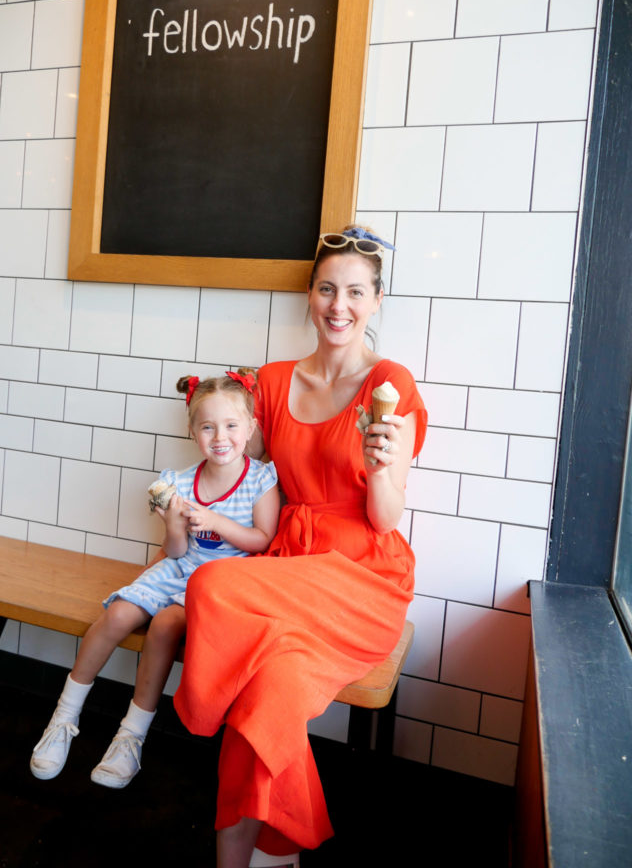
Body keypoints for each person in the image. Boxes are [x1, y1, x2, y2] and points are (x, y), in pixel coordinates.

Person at [173, 226, 428, 867]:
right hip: (286, 566)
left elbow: (387, 517)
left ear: (375, 301)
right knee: (270, 690)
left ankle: (197, 709)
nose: (339, 306)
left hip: (360, 576)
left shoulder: (389, 386)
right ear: (309, 296)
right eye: (326, 290)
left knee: (210, 587)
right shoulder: (274, 381)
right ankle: (267, 856)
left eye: (355, 293)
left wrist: (381, 468)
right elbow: (240, 474)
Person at [29, 370, 280, 789]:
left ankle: (130, 736)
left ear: (251, 427)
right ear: (192, 431)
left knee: (163, 627)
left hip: (221, 582)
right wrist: (174, 524)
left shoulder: (259, 479)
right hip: (177, 569)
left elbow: (261, 540)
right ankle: (64, 716)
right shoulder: (179, 482)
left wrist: (216, 520)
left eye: (232, 425)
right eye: (208, 426)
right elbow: (177, 551)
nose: (221, 436)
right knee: (116, 615)